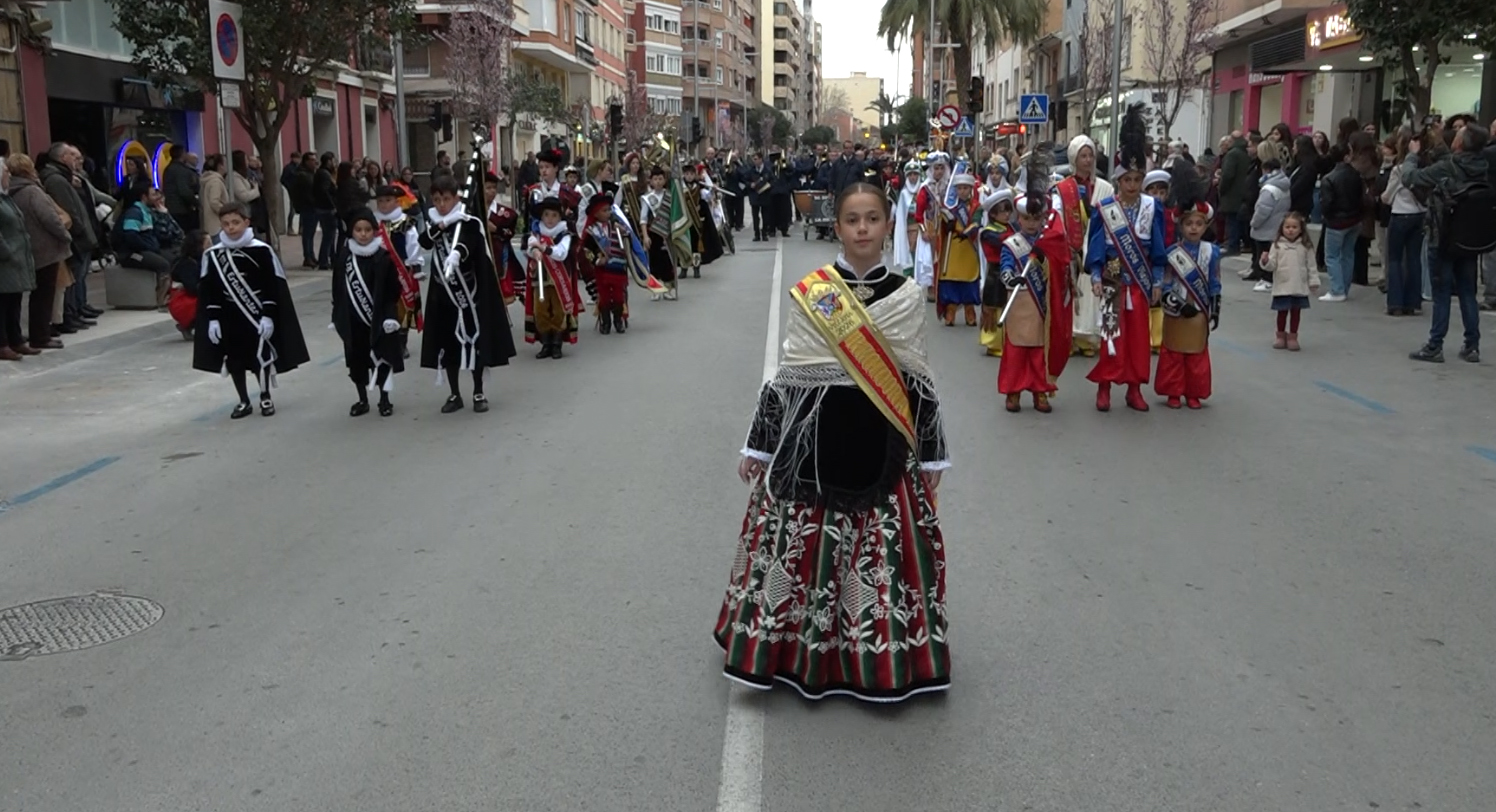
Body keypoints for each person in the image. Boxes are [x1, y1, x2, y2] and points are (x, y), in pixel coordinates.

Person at [714, 182, 951, 703]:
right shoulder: (815, 293)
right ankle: (797, 654)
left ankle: (880, 659)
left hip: (885, 441)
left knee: (879, 555)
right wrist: (760, 444)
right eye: (852, 220)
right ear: (837, 227)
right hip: (813, 442)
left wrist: (932, 451)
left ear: (888, 225)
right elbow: (789, 374)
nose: (863, 228)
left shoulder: (906, 297)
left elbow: (918, 380)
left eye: (872, 218)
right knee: (804, 552)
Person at [192, 201, 310, 419]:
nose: (231, 228)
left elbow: (272, 286)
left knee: (260, 357)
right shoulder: (214, 255)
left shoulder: (261, 251)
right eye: (226, 224)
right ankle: (243, 400)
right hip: (229, 317)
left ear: (246, 222)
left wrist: (268, 316)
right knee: (234, 360)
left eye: (235, 222)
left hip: (256, 314)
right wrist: (213, 319)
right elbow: (210, 289)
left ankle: (265, 396)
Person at [1086, 104, 1164, 412]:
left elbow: (1158, 248)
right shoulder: (1105, 208)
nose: (1132, 185)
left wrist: (1157, 280)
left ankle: (1134, 388)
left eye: (1137, 179)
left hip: (1140, 279)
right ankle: (1104, 387)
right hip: (1113, 276)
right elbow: (1096, 246)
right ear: (1118, 180)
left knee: (1138, 339)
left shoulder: (1152, 207)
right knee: (1111, 335)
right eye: (1127, 179)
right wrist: (1096, 275)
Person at [419, 173, 516, 411]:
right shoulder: (436, 223)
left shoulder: (469, 222)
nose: (441, 205)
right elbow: (425, 242)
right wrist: (442, 225)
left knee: (474, 341)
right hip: (444, 296)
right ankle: (454, 394)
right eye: (437, 200)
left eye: (446, 199)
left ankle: (478, 392)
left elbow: (470, 243)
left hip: (470, 295)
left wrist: (457, 253)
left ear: (456, 198)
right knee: (448, 344)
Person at [989, 150, 1072, 412]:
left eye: (1036, 219)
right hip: (1019, 302)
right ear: (1019, 218)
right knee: (1016, 351)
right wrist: (1010, 278)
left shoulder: (1048, 243)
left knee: (1038, 351)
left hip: (1040, 304)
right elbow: (1005, 265)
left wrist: (1045, 260)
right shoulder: (1011, 243)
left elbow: (1058, 268)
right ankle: (1013, 391)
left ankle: (1040, 390)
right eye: (1026, 218)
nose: (1031, 223)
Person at [1402, 123, 1490, 363]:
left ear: (1460, 143)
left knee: (1441, 293)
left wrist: (1412, 155)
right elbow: (1453, 160)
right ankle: (1472, 345)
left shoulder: (1448, 167)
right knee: (1468, 291)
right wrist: (1438, 143)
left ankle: (1435, 344)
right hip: (1469, 237)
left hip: (1442, 236)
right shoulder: (1482, 166)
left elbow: (1411, 177)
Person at [1155, 162, 1222, 409]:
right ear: (1180, 226)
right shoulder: (1172, 253)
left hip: (1200, 309)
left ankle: (1194, 392)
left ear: (1206, 226)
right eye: (1189, 223)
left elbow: (1215, 282)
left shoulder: (1212, 252)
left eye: (1199, 223)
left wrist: (1215, 308)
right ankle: (1173, 391)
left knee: (1196, 353)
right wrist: (1178, 305)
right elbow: (1166, 283)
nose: (1194, 228)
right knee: (1174, 352)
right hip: (1178, 310)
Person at [332, 208, 404, 417]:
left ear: (375, 231)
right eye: (358, 230)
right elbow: (337, 286)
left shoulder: (383, 258)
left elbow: (392, 290)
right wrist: (336, 312)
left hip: (378, 318)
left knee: (381, 359)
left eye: (367, 230)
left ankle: (384, 399)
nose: (363, 234)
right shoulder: (345, 257)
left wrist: (390, 316)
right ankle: (362, 399)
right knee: (357, 360)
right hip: (353, 319)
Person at [1056, 136, 1112, 358]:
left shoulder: (1105, 188)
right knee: (1071, 291)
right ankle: (1068, 337)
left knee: (1090, 292)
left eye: (1090, 155)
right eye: (1083, 156)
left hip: (1095, 246)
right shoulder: (1064, 188)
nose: (1088, 160)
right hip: (1071, 247)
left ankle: (1087, 337)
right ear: (1074, 158)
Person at [521, 197, 582, 358]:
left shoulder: (565, 234)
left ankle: (556, 344)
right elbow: (529, 247)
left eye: (554, 215)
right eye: (546, 215)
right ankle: (546, 343)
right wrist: (534, 251)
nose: (550, 219)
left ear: (560, 217)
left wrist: (544, 248)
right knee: (540, 310)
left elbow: (561, 253)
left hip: (559, 280)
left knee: (558, 310)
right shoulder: (536, 232)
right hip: (539, 279)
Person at [373, 184, 425, 360]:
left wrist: (415, 265)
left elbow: (413, 244)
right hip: (379, 272)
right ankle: (384, 340)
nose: (384, 204)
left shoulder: (405, 223)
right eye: (380, 201)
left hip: (401, 270)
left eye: (388, 200)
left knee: (404, 307)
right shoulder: (373, 223)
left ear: (397, 202)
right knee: (383, 305)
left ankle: (402, 342)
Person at [1261, 212, 1318, 351]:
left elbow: (1311, 265)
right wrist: (1265, 261)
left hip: (1299, 285)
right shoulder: (1277, 245)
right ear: (1282, 228)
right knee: (1281, 312)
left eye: (1294, 227)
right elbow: (1272, 265)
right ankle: (1280, 335)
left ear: (1301, 229)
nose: (1290, 230)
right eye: (1287, 227)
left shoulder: (1305, 246)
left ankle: (1293, 336)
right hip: (1282, 285)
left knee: (1296, 313)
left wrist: (1313, 281)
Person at [977, 185, 1016, 357]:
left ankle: (1008, 341)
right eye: (1002, 211)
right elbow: (1003, 241)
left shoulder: (1011, 228)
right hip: (995, 273)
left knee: (1009, 306)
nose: (1007, 214)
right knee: (994, 308)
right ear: (993, 214)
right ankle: (993, 342)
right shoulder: (988, 232)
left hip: (1011, 272)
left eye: (1008, 210)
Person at [1143, 169, 1173, 354]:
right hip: (1147, 259)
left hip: (1165, 260)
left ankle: (1158, 338)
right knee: (1147, 297)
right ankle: (1145, 336)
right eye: (1154, 192)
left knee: (1160, 298)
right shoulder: (1144, 212)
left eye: (1162, 192)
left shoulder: (1169, 214)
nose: (1158, 196)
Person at [639, 166, 679, 301]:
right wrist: (645, 236)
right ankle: (655, 290)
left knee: (668, 261)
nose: (657, 182)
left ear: (664, 180)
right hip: (654, 232)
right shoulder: (647, 198)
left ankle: (668, 289)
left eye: (660, 179)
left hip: (668, 232)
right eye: (655, 179)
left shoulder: (670, 196)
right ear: (650, 181)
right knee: (654, 261)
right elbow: (643, 219)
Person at [168, 231, 207, 340]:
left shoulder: (199, 260)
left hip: (188, 298)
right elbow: (192, 288)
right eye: (207, 244)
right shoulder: (186, 264)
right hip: (182, 301)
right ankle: (188, 325)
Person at [892, 160, 923, 277]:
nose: (913, 177)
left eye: (915, 174)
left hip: (923, 230)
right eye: (910, 174)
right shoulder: (904, 193)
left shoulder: (924, 190)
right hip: (909, 229)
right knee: (909, 253)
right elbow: (900, 213)